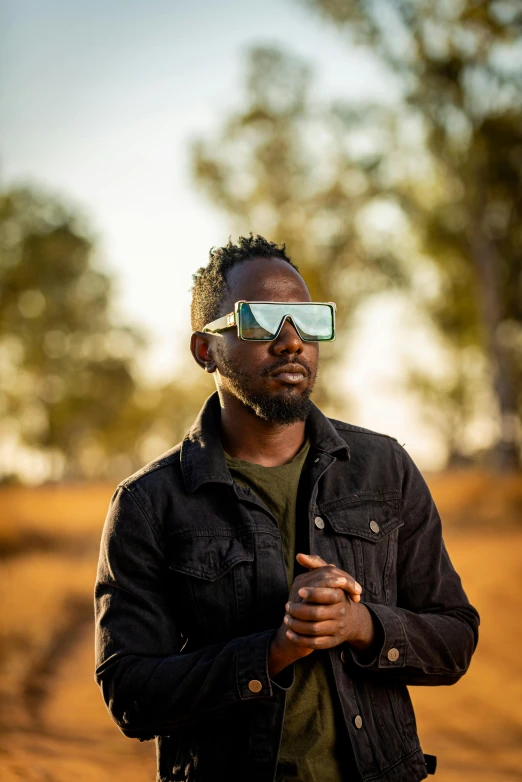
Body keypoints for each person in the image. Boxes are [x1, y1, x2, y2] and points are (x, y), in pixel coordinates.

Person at [94, 235, 480, 782]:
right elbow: (130, 693)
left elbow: (455, 639)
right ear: (206, 350)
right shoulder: (149, 502)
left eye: (306, 320)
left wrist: (359, 625)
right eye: (261, 320)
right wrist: (273, 651)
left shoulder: (384, 468)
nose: (292, 341)